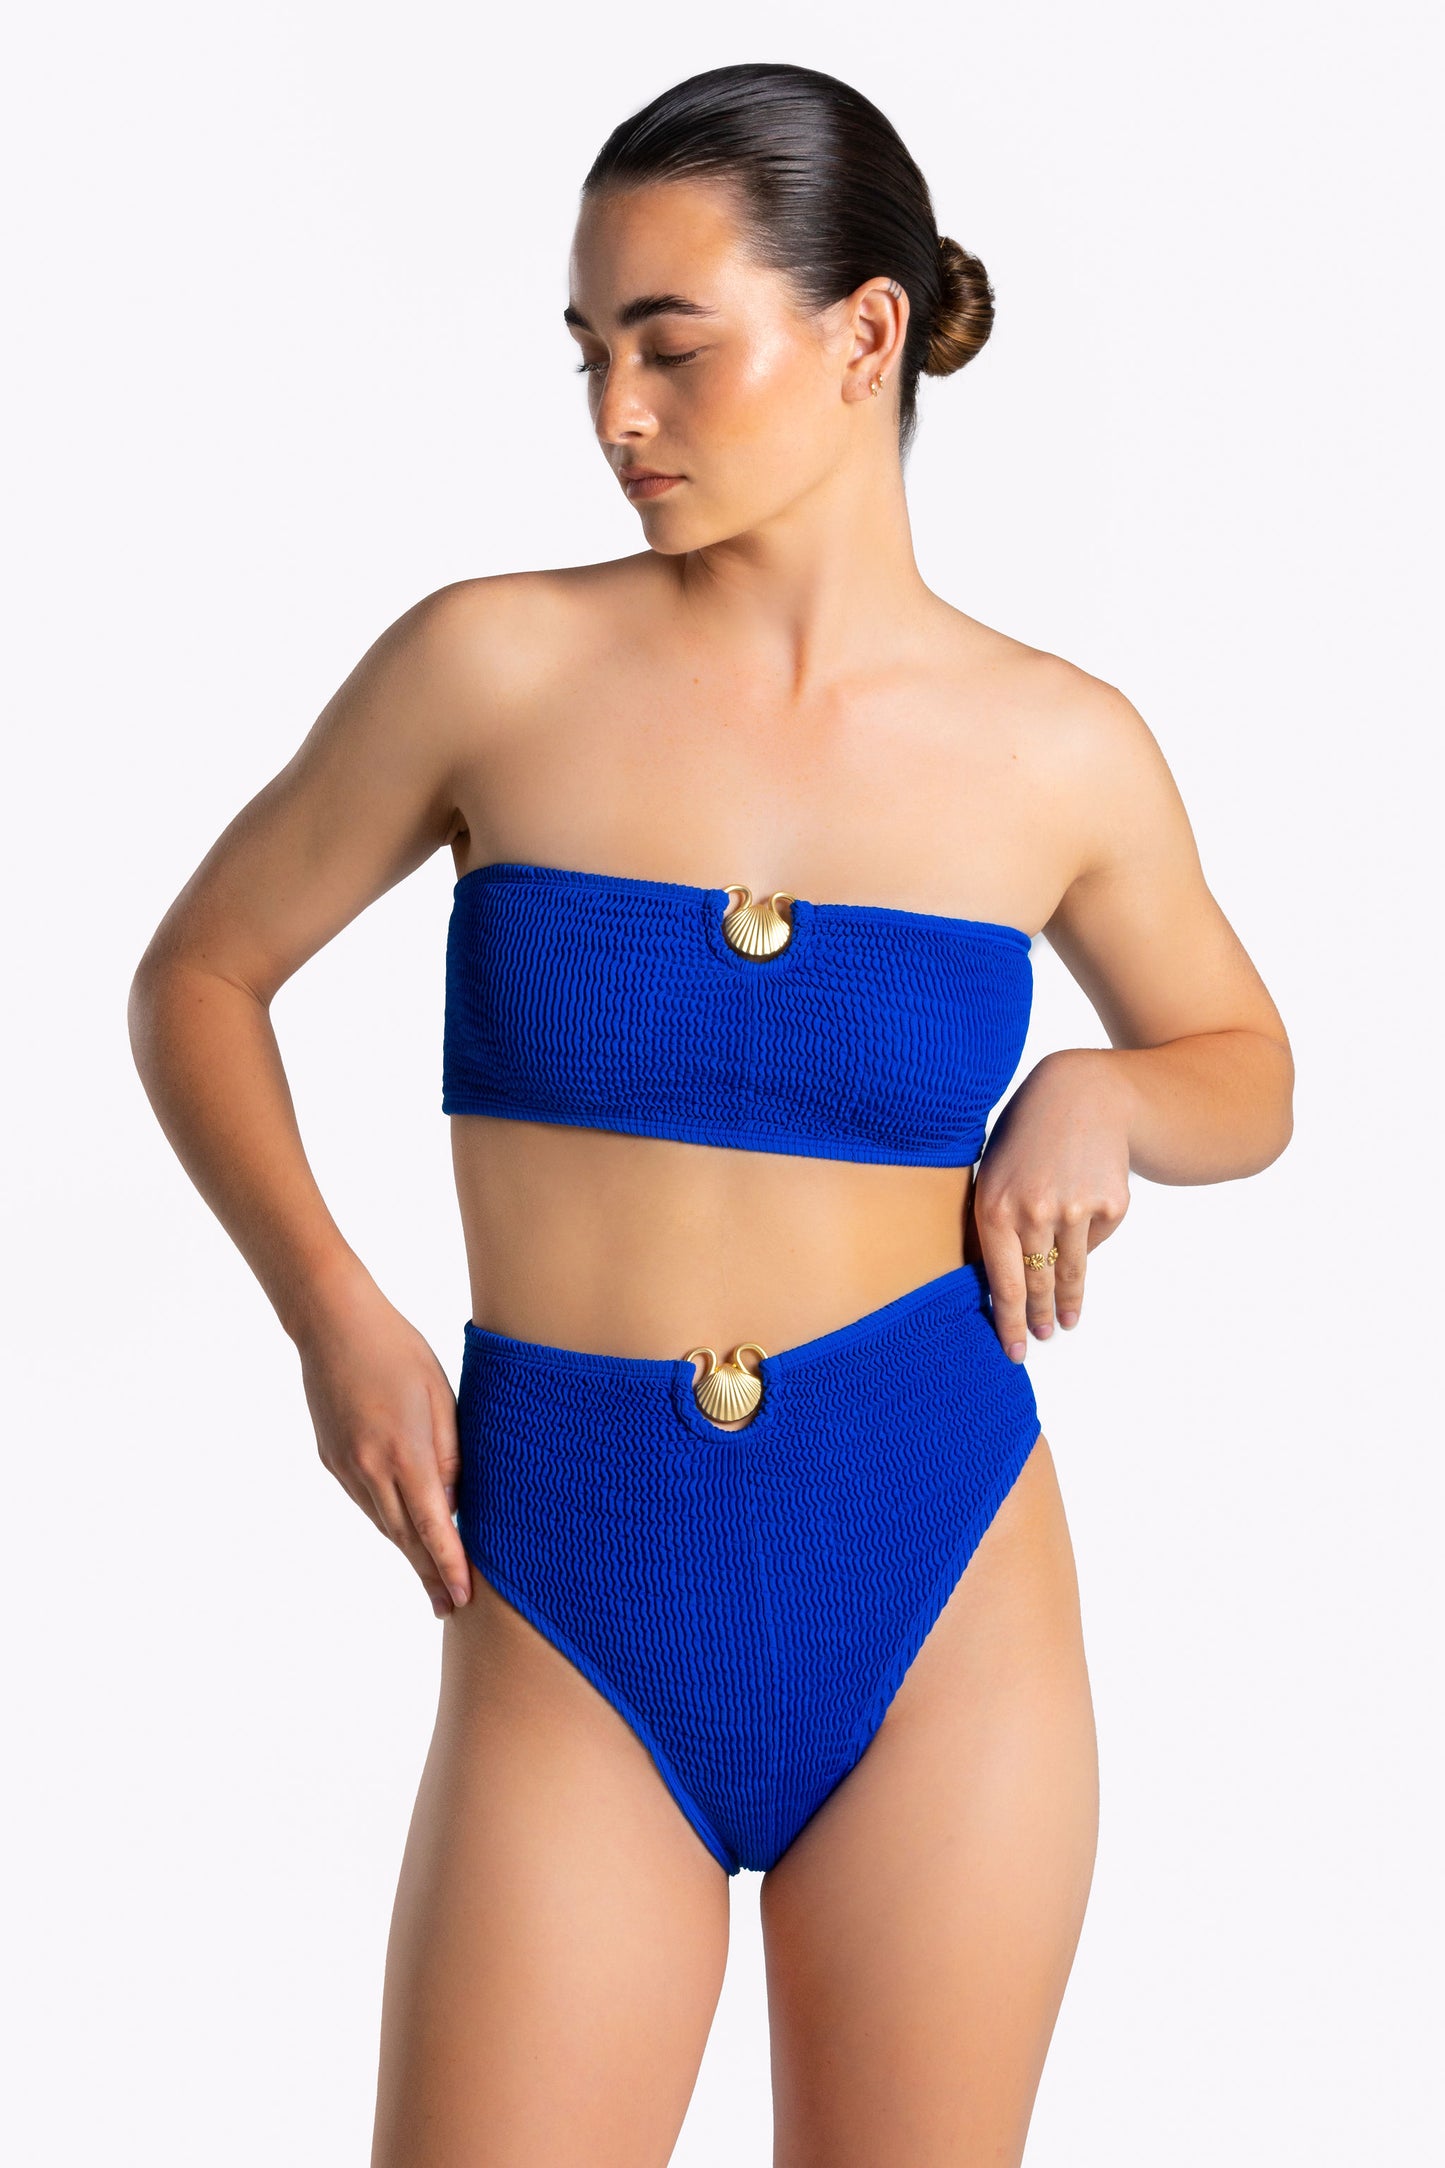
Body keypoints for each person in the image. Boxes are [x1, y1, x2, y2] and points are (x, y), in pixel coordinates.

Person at [128, 59, 1294, 2168]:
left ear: (866, 335)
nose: (617, 412)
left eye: (673, 345)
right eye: (589, 350)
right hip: (568, 1563)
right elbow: (198, 977)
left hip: (933, 1559)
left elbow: (1251, 1073)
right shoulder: (492, 667)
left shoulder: (1056, 745)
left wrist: (1104, 1084)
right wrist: (333, 1313)